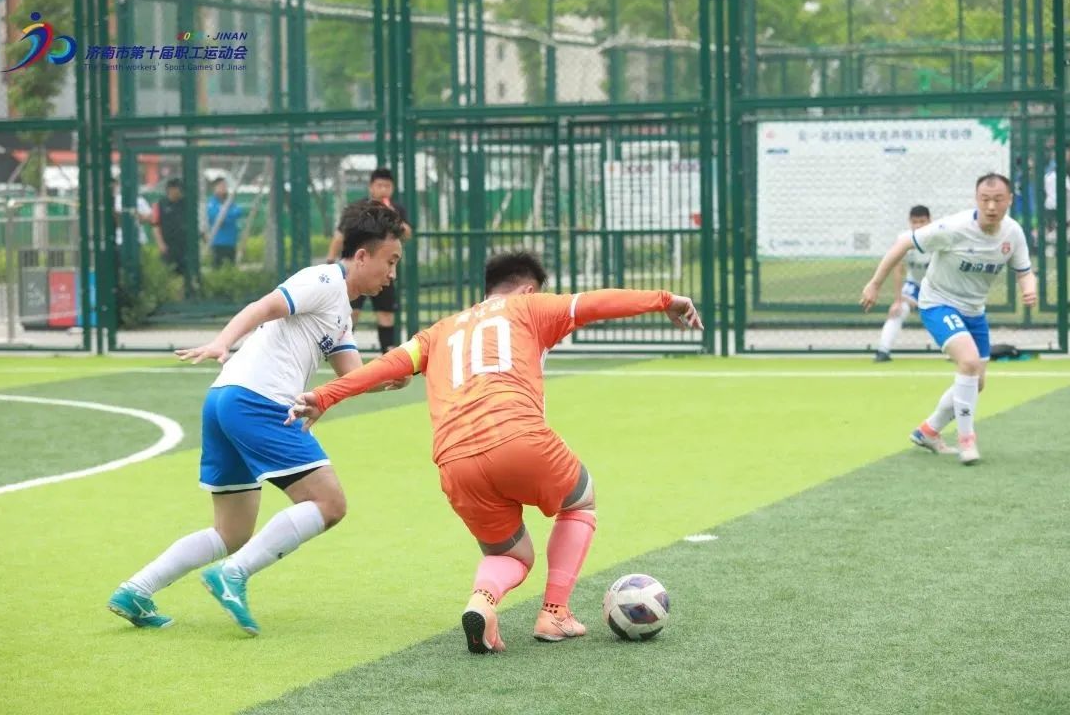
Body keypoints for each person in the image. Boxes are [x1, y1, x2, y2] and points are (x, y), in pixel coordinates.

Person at [287, 251, 702, 653]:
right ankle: (555, 613)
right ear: (528, 290)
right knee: (580, 501)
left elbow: (386, 365)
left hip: (454, 461)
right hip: (518, 437)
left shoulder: (439, 331)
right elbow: (596, 303)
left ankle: (482, 601)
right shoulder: (531, 307)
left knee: (510, 552)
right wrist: (664, 299)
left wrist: (325, 396)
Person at [107, 201, 407, 635]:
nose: (393, 273)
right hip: (256, 402)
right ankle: (234, 574)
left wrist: (391, 376)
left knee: (232, 531)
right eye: (390, 261)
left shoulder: (341, 312)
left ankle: (137, 589)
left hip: (225, 401)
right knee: (329, 504)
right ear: (362, 255)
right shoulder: (323, 280)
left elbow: (352, 377)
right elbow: (263, 306)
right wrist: (222, 341)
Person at [861, 174, 1037, 465]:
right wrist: (875, 284)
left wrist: (1029, 288)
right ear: (976, 199)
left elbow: (1024, 271)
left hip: (974, 311)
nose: (991, 206)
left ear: (1009, 200)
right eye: (985, 199)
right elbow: (903, 243)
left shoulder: (1013, 233)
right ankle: (967, 440)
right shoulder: (954, 227)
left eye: (998, 199)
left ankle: (928, 431)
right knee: (968, 362)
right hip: (938, 303)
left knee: (976, 382)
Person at [327, 168, 413, 353]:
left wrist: (392, 216)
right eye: (379, 185)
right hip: (359, 270)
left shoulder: (397, 209)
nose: (383, 190)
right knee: (352, 312)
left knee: (386, 314)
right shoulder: (360, 209)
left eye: (387, 186)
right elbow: (340, 235)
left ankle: (387, 354)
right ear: (371, 187)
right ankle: (340, 348)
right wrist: (330, 259)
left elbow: (407, 234)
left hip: (382, 270)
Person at [873, 205, 933, 362]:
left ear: (930, 221)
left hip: (936, 286)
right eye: (915, 222)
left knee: (947, 314)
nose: (918, 226)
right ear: (909, 222)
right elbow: (898, 270)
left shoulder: (938, 238)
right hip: (914, 285)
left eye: (922, 221)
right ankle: (883, 351)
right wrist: (898, 300)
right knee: (898, 310)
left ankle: (953, 352)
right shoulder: (904, 240)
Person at [152, 178, 189, 278]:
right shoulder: (160, 204)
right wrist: (161, 244)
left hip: (184, 247)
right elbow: (155, 226)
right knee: (169, 274)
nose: (177, 191)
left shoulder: (186, 203)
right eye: (175, 188)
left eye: (179, 188)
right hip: (168, 247)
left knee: (185, 274)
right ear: (169, 190)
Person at [206, 176, 244, 268]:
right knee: (217, 268)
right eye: (221, 186)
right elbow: (217, 217)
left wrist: (226, 214)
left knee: (231, 267)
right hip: (218, 242)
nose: (223, 188)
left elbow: (238, 212)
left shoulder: (230, 202)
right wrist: (228, 215)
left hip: (231, 242)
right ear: (214, 188)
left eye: (225, 185)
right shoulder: (211, 203)